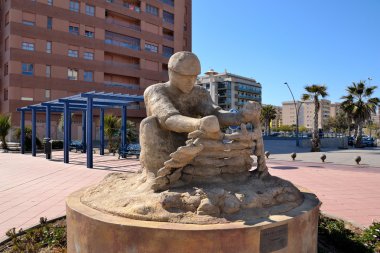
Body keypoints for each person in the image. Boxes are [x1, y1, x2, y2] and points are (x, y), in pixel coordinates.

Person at [140, 51, 266, 188]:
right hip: (164, 146)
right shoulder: (156, 90)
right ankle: (155, 177)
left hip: (192, 145)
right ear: (171, 72)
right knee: (149, 124)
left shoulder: (199, 92)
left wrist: (240, 116)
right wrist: (199, 123)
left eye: (194, 76)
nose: (191, 81)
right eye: (185, 76)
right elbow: (168, 119)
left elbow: (215, 113)